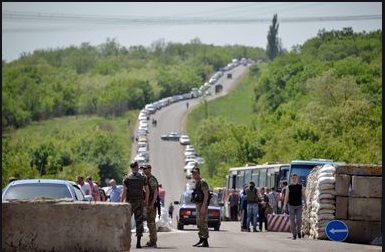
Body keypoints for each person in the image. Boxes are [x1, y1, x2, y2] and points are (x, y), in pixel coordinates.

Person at [121, 161, 150, 249]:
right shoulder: (143, 177)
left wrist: (121, 202)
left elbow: (124, 191)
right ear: (137, 167)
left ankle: (125, 241)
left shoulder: (126, 178)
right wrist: (146, 200)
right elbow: (147, 190)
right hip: (139, 202)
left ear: (131, 167)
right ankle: (138, 243)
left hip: (129, 202)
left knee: (126, 222)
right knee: (139, 222)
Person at [283, 173, 307, 240]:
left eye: (295, 178)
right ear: (291, 179)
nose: (294, 179)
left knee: (299, 220)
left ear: (297, 178)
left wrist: (306, 203)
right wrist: (284, 206)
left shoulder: (300, 186)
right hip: (291, 206)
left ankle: (298, 231)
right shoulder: (288, 187)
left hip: (299, 205)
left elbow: (304, 195)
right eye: (293, 178)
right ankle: (294, 234)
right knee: (292, 221)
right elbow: (286, 197)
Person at [141, 164, 159, 248]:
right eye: (143, 169)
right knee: (149, 223)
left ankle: (153, 242)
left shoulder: (151, 179)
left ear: (150, 169)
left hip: (152, 204)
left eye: (145, 169)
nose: (144, 170)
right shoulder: (146, 179)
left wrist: (152, 203)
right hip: (148, 204)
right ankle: (151, 240)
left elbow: (155, 192)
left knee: (151, 223)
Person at [191, 167, 210, 247]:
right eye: (193, 173)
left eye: (195, 173)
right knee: (199, 223)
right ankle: (201, 239)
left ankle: (205, 241)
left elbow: (206, 194)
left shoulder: (202, 182)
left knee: (203, 222)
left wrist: (203, 206)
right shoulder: (197, 183)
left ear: (199, 173)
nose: (194, 175)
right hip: (198, 204)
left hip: (202, 204)